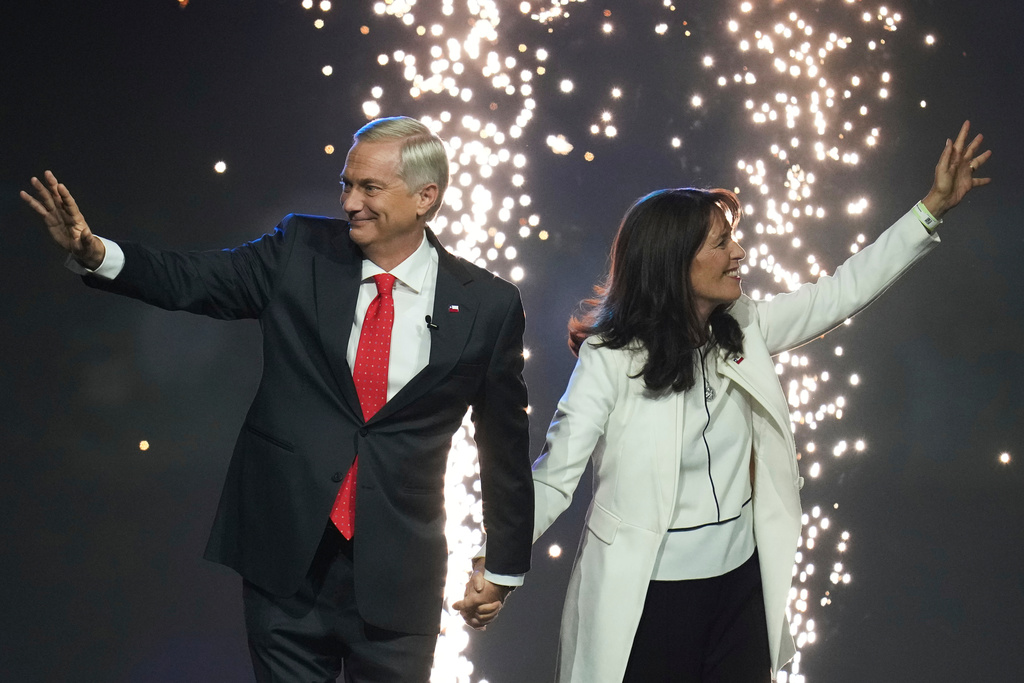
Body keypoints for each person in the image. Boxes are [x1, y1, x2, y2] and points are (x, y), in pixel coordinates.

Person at [456, 120, 991, 682]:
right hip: (648, 598)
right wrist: (499, 562)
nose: (740, 252)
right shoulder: (610, 358)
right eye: (721, 243)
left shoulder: (746, 325)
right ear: (674, 262)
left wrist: (931, 207)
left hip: (739, 591)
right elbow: (554, 476)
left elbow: (840, 291)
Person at [20, 116, 534, 683]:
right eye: (346, 185)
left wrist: (505, 564)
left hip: (398, 574)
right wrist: (99, 255)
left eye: (369, 188)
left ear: (424, 197)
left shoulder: (488, 304)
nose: (350, 203)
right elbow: (198, 278)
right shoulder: (300, 250)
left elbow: (503, 444)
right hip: (287, 560)